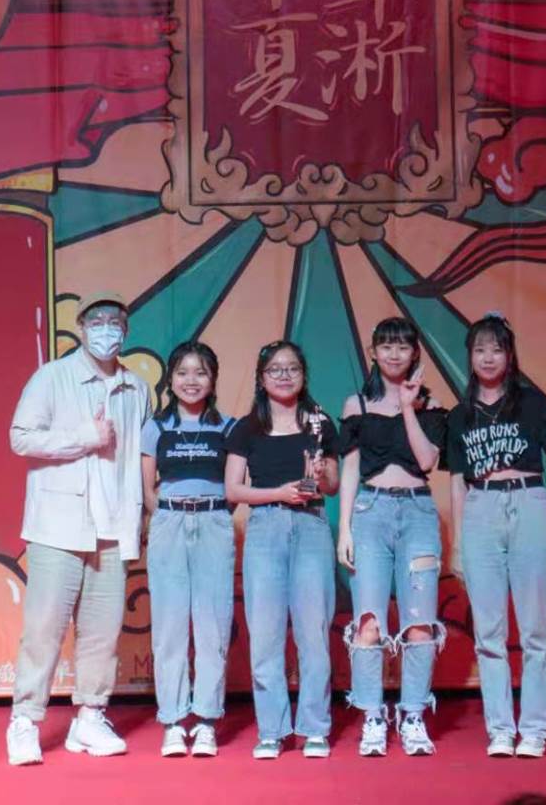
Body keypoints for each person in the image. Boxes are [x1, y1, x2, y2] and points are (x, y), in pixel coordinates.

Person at [4, 291, 152, 765]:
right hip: (58, 525)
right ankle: (25, 720)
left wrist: (141, 516)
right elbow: (20, 438)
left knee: (102, 633)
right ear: (82, 327)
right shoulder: (52, 377)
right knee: (44, 629)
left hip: (113, 524)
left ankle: (90, 717)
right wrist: (84, 439)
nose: (106, 328)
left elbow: (139, 458)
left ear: (125, 331)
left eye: (115, 321)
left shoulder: (137, 388)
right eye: (97, 320)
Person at [446, 312, 546, 758]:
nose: (488, 357)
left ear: (509, 355)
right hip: (480, 508)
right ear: (470, 356)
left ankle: (535, 728)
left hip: (528, 502)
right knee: (489, 633)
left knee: (536, 630)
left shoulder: (531, 403)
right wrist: (458, 544)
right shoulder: (460, 415)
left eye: (496, 349)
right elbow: (457, 483)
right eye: (480, 349)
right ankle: (500, 729)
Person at [336, 317, 448, 757]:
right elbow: (349, 468)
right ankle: (373, 717)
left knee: (419, 623)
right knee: (368, 622)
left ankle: (413, 715)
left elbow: (427, 461)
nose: (395, 354)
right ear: (373, 352)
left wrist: (408, 407)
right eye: (386, 346)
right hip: (370, 513)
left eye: (403, 346)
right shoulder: (357, 404)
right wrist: (344, 528)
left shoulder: (431, 404)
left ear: (415, 352)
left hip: (418, 512)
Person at [224, 340, 339, 760]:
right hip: (265, 528)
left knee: (313, 631)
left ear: (304, 375)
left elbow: (332, 486)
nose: (284, 375)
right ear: (261, 378)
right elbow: (233, 490)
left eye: (292, 368)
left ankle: (314, 727)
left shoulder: (320, 424)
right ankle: (271, 729)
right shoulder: (247, 428)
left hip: (311, 525)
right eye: (275, 369)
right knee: (266, 633)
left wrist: (321, 474)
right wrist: (278, 492)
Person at [140, 341, 237, 758]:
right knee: (170, 627)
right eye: (182, 372)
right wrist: (169, 516)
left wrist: (212, 515)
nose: (191, 381)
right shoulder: (155, 427)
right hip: (169, 524)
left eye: (200, 372)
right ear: (171, 379)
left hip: (214, 522)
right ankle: (174, 721)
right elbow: (147, 489)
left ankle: (207, 721)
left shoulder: (229, 428)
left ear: (213, 379)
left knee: (213, 625)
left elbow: (235, 486)